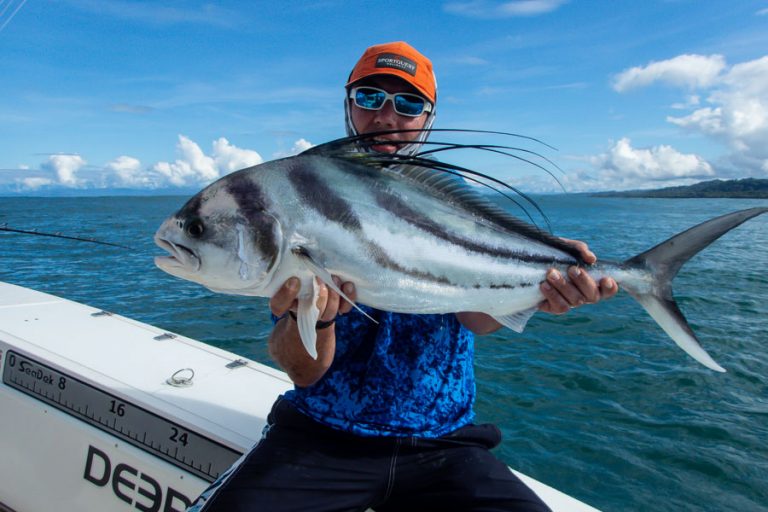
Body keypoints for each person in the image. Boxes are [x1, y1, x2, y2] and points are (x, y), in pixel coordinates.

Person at [189, 41, 618, 512]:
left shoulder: (455, 199)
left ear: (428, 117)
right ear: (349, 104)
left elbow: (477, 319)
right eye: (370, 98)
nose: (386, 117)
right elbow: (304, 371)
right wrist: (319, 320)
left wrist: (541, 295)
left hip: (444, 443)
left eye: (408, 104)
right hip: (322, 436)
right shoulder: (299, 196)